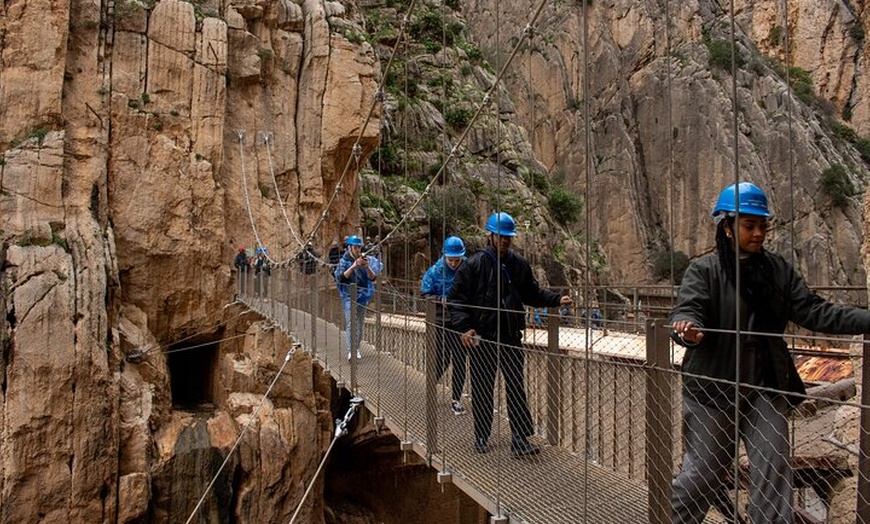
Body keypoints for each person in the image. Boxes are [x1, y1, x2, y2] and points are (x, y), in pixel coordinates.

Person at [669, 182, 870, 523]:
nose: (759, 233)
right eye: (750, 226)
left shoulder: (777, 270)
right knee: (704, 475)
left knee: (774, 471)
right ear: (728, 227)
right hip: (713, 386)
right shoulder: (704, 271)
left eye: (763, 226)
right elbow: (688, 309)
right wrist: (688, 328)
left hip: (765, 384)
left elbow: (813, 311)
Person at [448, 212, 573, 456]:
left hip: (510, 336)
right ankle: (482, 435)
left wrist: (556, 299)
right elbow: (456, 299)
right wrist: (464, 327)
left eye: (507, 237)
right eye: (500, 236)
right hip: (482, 337)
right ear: (490, 235)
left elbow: (532, 293)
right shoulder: (473, 264)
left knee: (516, 386)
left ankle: (519, 438)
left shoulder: (518, 264)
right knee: (483, 387)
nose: (504, 241)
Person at [421, 236, 468, 416]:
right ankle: (430, 386)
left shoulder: (467, 269)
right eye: (451, 260)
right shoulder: (434, 272)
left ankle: (456, 400)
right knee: (441, 360)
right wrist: (440, 301)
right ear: (444, 257)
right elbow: (425, 294)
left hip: (460, 322)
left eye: (458, 260)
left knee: (460, 361)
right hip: (440, 322)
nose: (455, 264)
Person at [335, 235, 382, 360]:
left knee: (359, 323)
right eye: (356, 247)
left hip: (362, 295)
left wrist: (366, 267)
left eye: (359, 247)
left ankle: (356, 348)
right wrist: (354, 266)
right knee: (351, 322)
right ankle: (351, 351)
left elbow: (373, 278)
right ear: (349, 248)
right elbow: (340, 278)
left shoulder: (367, 260)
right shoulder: (343, 262)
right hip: (348, 295)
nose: (358, 250)